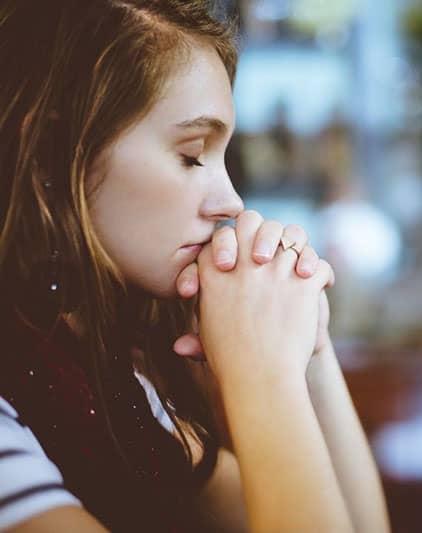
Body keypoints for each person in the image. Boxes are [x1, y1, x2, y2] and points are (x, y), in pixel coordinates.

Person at [0, 1, 390, 531]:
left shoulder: (109, 376)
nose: (231, 202)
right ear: (51, 150)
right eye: (190, 154)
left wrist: (308, 351)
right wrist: (262, 375)